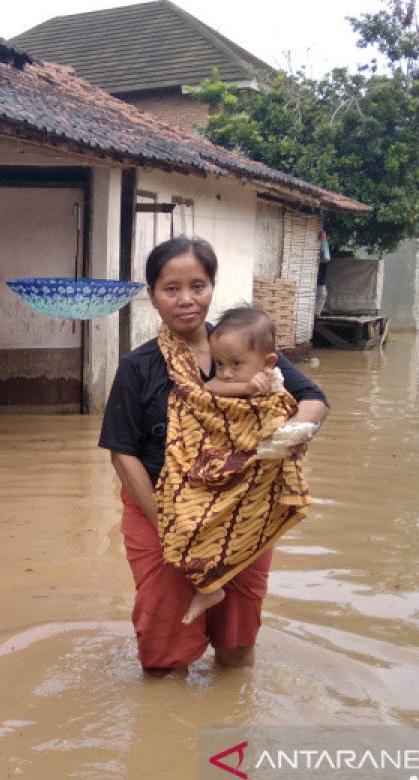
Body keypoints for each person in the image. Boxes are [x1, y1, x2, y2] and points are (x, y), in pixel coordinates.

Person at [99, 236, 329, 672]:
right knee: (165, 650)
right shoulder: (139, 367)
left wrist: (297, 431)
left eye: (198, 285)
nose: (187, 300)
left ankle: (229, 724)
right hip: (162, 516)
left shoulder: (244, 349)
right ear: (152, 296)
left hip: (242, 513)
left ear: (211, 287)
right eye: (171, 289)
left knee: (238, 640)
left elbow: (312, 398)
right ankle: (167, 731)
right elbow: (122, 455)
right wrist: (170, 525)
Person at [158, 306, 313, 626]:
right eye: (219, 364)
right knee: (191, 524)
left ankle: (211, 589)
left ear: (268, 363)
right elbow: (211, 389)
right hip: (218, 470)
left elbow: (288, 413)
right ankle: (209, 586)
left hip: (255, 478)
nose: (225, 372)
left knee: (235, 532)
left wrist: (286, 436)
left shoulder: (277, 382)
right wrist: (244, 387)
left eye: (236, 364)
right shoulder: (228, 381)